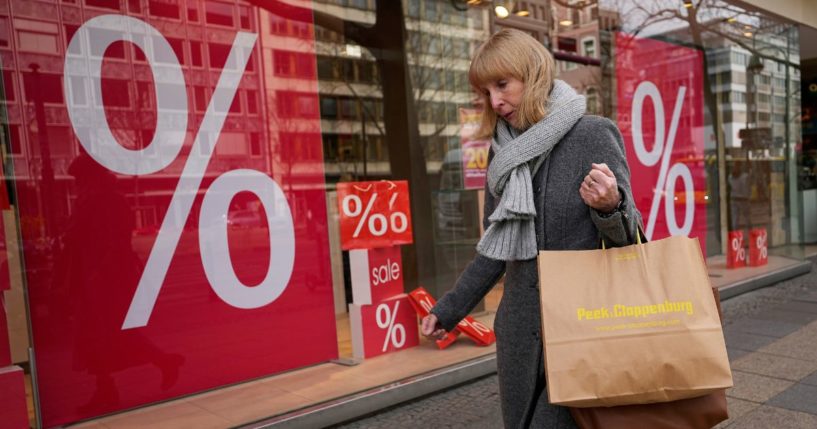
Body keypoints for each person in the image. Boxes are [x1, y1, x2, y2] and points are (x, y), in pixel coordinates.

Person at [421, 29, 643, 428]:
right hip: (522, 335)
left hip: (583, 326)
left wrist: (611, 206)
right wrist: (449, 310)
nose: (495, 101)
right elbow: (495, 248)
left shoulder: (592, 133)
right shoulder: (502, 154)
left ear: (533, 73)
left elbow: (632, 239)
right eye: (486, 91)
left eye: (502, 84)